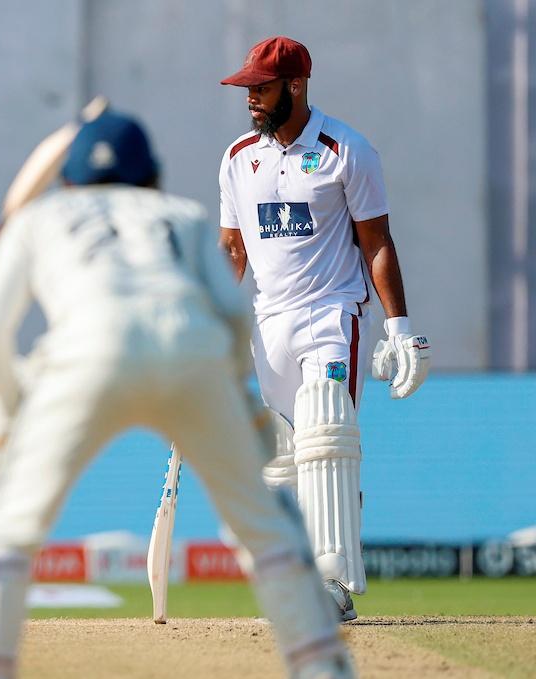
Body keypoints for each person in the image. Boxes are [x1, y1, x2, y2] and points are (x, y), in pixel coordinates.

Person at [0, 111, 353, 679]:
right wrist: (231, 396)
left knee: (9, 533)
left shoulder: (40, 217)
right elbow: (236, 318)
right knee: (269, 531)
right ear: (153, 176)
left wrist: (17, 404)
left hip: (84, 357)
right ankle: (322, 667)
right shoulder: (182, 215)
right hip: (194, 352)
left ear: (69, 180)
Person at [217, 36, 431, 621]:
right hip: (268, 324)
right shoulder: (238, 157)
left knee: (326, 437)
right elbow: (233, 251)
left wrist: (400, 328)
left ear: (295, 85)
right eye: (247, 90)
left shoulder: (346, 150)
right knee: (283, 457)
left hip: (331, 315)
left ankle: (332, 584)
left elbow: (377, 241)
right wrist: (205, 323)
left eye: (259, 89)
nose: (250, 100)